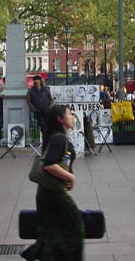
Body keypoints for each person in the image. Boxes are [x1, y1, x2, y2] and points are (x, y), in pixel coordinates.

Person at [21, 105, 84, 261]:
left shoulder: (57, 137)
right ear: (60, 119)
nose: (72, 117)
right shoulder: (59, 138)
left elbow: (62, 162)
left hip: (47, 193)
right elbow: (49, 165)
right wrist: (71, 178)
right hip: (53, 194)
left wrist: (68, 175)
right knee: (75, 225)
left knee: (52, 231)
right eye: (69, 114)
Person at [26, 75, 54, 141]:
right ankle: (45, 139)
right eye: (34, 80)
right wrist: (34, 109)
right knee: (43, 126)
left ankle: (49, 139)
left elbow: (51, 99)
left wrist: (50, 107)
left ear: (40, 81)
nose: (35, 81)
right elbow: (28, 101)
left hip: (47, 110)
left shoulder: (46, 90)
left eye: (37, 80)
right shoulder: (31, 91)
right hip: (39, 111)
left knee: (49, 125)